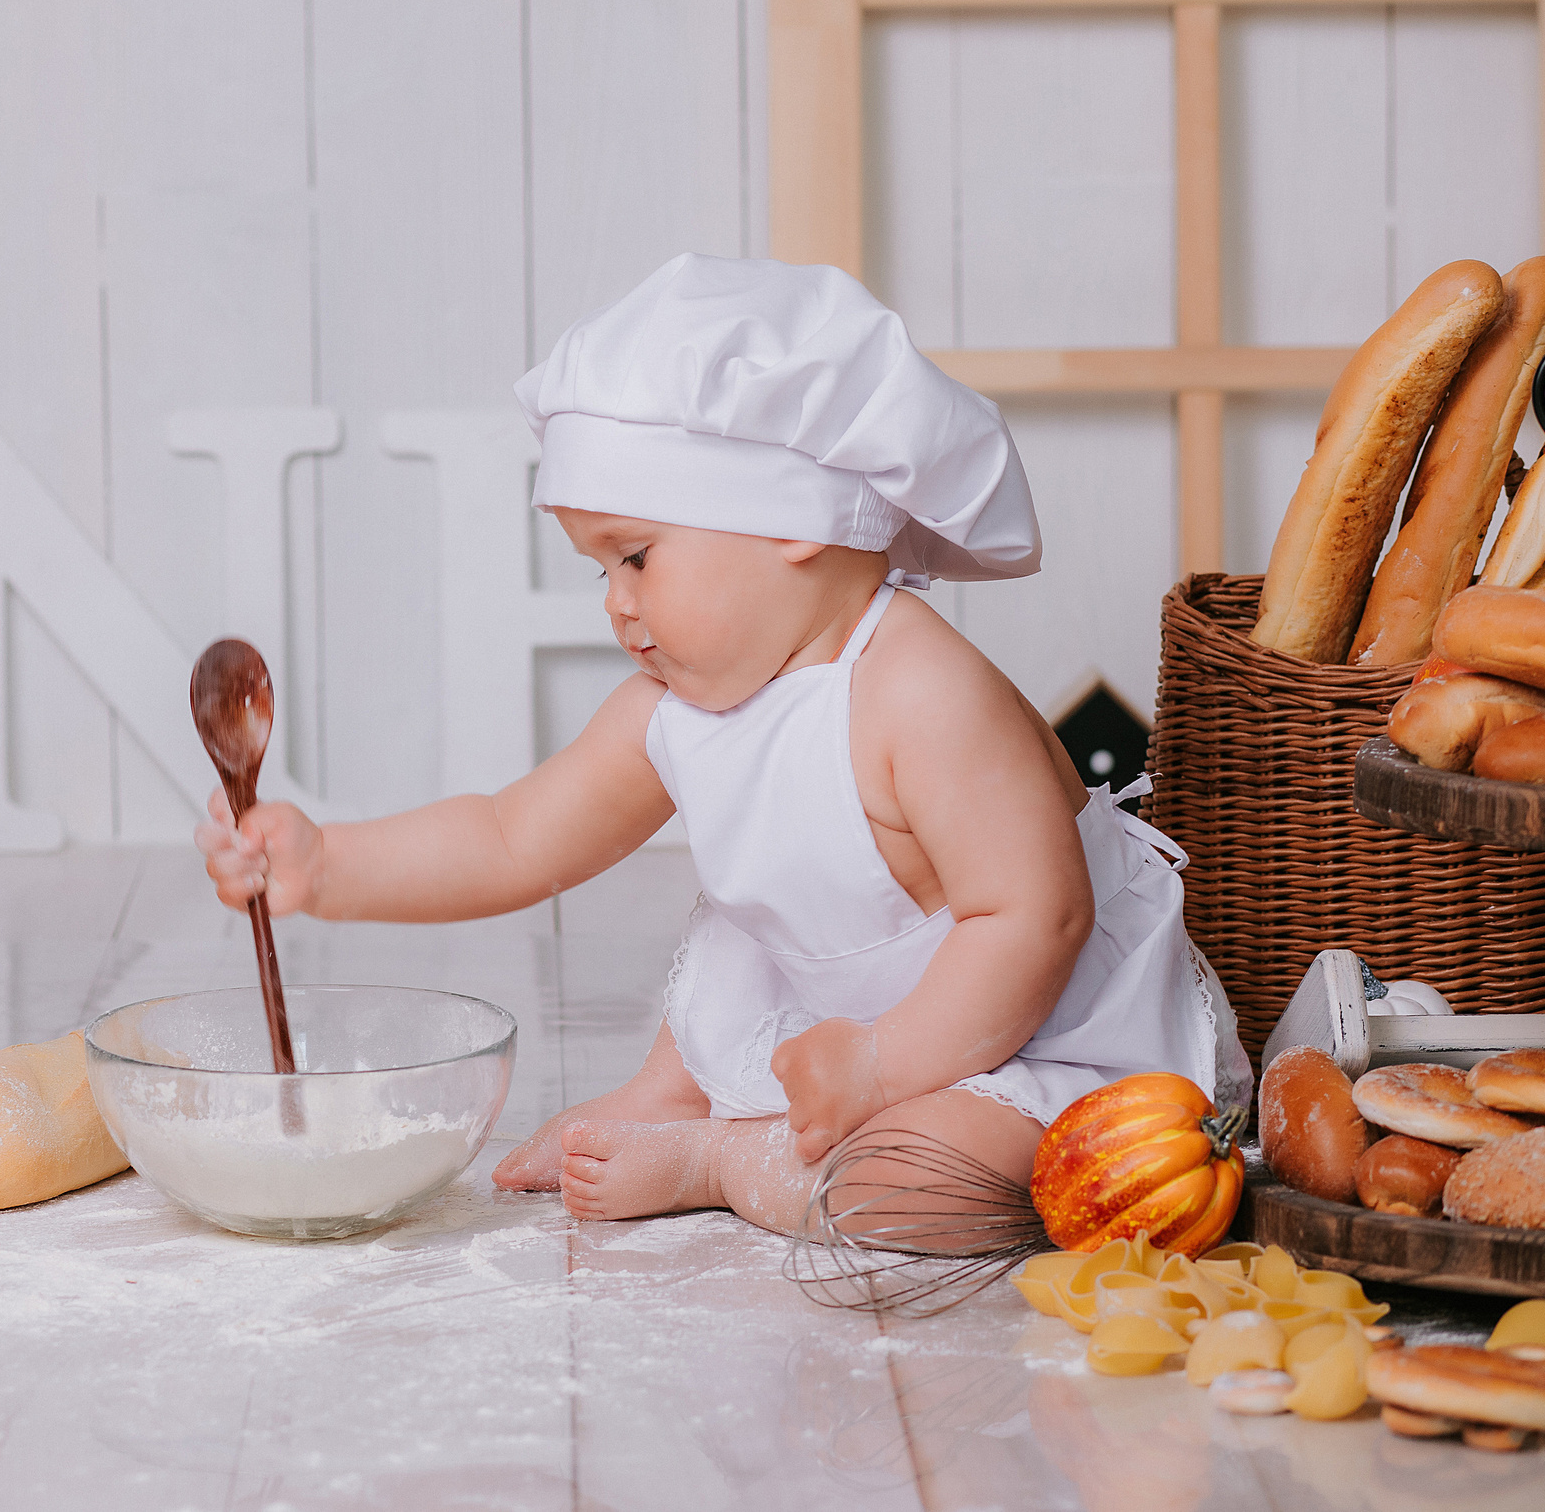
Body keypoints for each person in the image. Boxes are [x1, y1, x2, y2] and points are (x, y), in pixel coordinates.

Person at [195, 255, 1248, 1240]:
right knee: (746, 937)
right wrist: (327, 865)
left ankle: (723, 1157)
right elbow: (513, 837)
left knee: (916, 1184)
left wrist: (881, 1069)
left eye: (636, 557)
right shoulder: (673, 710)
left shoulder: (922, 692)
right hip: (843, 1035)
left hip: (1027, 1035)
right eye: (599, 569)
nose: (615, 604)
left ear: (790, 520)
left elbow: (1036, 918)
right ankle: (674, 1093)